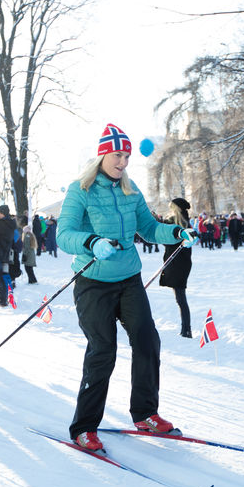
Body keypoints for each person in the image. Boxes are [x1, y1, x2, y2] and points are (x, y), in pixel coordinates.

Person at [56, 123, 198, 452]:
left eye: (127, 157)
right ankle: (84, 427)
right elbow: (64, 235)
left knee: (148, 340)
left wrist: (176, 233)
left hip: (128, 279)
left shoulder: (130, 190)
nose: (123, 162)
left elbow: (148, 228)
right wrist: (91, 242)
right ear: (102, 154)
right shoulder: (80, 190)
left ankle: (146, 413)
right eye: (118, 155)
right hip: (93, 282)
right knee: (103, 350)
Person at [159, 198, 194, 338]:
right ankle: (186, 328)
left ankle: (186, 329)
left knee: (180, 298)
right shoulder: (185, 222)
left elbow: (164, 240)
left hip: (176, 262)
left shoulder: (173, 222)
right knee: (180, 297)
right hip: (182, 262)